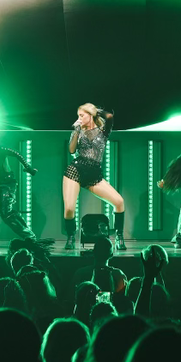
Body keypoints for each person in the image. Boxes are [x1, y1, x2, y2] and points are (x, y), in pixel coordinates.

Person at [62, 104, 125, 252]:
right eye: (78, 116)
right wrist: (76, 131)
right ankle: (71, 236)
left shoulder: (103, 131)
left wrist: (95, 110)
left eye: (82, 115)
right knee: (69, 209)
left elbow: (109, 116)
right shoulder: (78, 131)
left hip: (94, 174)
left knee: (119, 202)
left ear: (90, 115)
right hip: (75, 170)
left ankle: (119, 237)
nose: (79, 118)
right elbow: (71, 150)